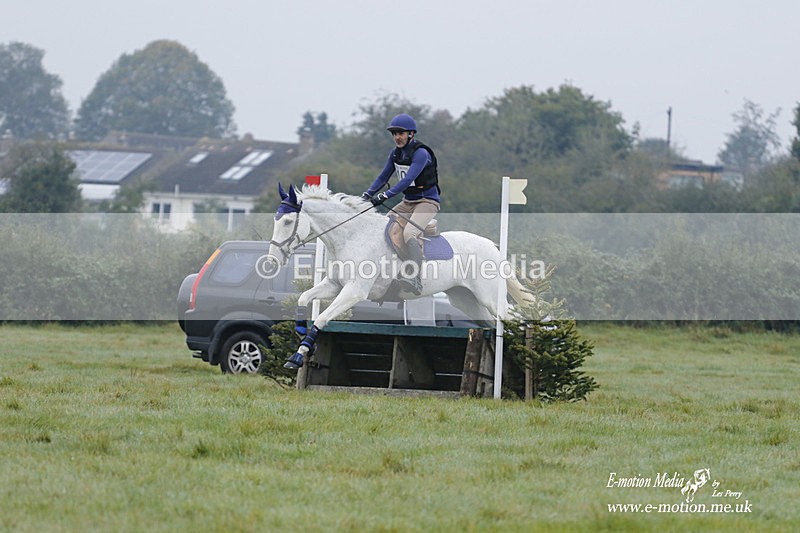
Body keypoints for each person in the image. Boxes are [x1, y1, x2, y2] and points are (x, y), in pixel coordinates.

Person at [361, 113, 440, 295]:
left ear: (411, 134)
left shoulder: (421, 153)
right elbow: (383, 176)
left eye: (401, 133)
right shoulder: (396, 153)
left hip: (427, 201)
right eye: (394, 134)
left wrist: (385, 195)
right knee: (383, 227)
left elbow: (408, 179)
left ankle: (415, 277)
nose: (397, 137)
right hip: (408, 202)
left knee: (410, 233)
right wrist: (367, 194)